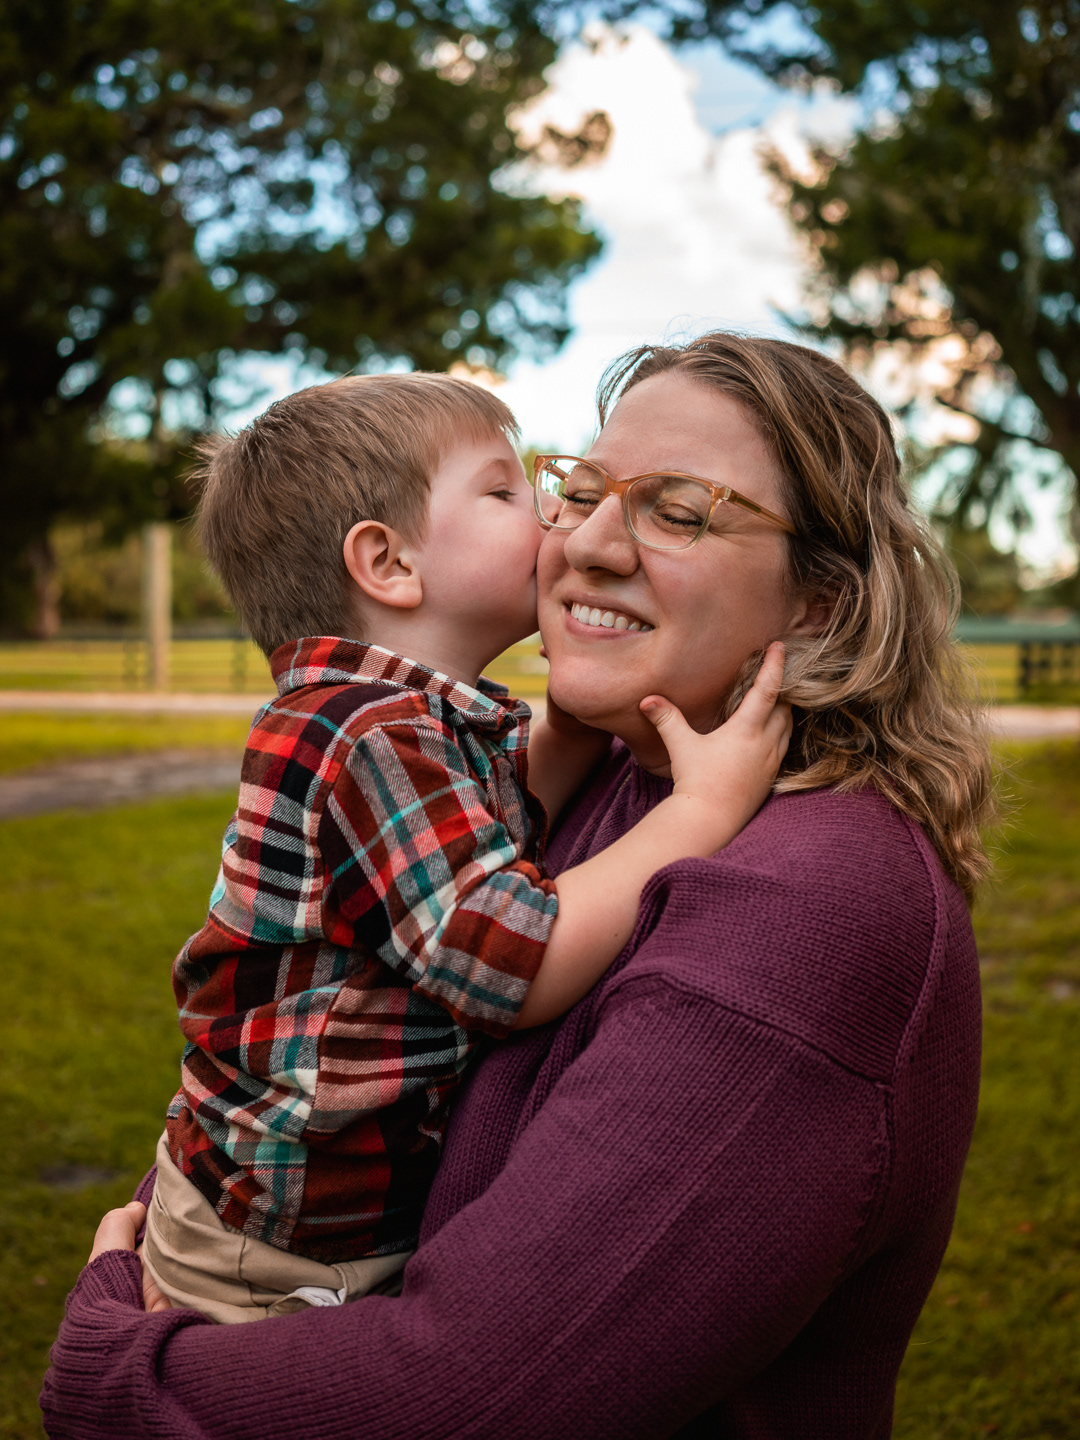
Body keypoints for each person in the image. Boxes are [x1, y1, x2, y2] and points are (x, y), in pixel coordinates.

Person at [42, 334, 992, 1438]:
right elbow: (283, 1015)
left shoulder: (810, 907)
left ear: (821, 602)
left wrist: (117, 1370)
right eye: (576, 490)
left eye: (677, 510)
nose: (580, 540)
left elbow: (464, 1400)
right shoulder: (598, 774)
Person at [137, 370, 791, 1325]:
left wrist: (572, 725)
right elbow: (507, 962)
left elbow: (481, 834)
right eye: (503, 491)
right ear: (389, 564)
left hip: (288, 1205)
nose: (554, 517)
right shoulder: (365, 736)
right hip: (278, 1250)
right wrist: (701, 808)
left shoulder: (397, 723)